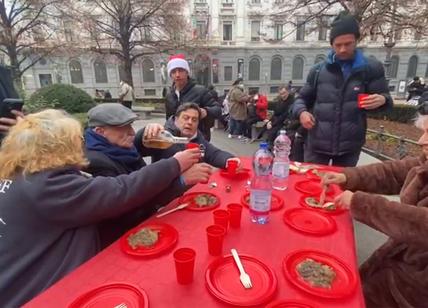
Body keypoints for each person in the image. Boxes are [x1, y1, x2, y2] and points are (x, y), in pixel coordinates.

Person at [0, 109, 200, 307]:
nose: (81, 144)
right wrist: (175, 165)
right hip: (37, 295)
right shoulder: (43, 185)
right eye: (76, 138)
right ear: (56, 147)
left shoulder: (19, 172)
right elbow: (119, 191)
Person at [321, 99, 428, 308]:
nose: (421, 141)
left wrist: (360, 203)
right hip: (403, 262)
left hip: (417, 287)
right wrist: (347, 177)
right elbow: (393, 172)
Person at [84, 103, 211, 247]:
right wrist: (181, 180)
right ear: (100, 131)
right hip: (127, 240)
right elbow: (132, 206)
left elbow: (140, 142)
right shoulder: (95, 163)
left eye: (131, 126)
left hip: (148, 223)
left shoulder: (121, 147)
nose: (131, 132)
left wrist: (149, 129)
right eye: (123, 128)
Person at [293, 11, 392, 167]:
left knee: (342, 189)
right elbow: (301, 99)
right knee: (313, 186)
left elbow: (387, 101)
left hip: (350, 147)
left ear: (356, 41)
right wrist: (302, 113)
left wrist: (382, 100)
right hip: (317, 145)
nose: (343, 49)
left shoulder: (371, 68)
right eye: (338, 45)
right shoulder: (318, 70)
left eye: (348, 44)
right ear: (331, 44)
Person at [135, 102, 238, 169]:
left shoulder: (199, 139)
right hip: (166, 194)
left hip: (193, 191)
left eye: (194, 120)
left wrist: (229, 160)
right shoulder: (163, 136)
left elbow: (214, 154)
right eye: (186, 118)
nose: (190, 122)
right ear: (176, 119)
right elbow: (138, 148)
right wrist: (145, 132)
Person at [165, 54, 221, 141]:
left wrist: (206, 111)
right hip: (177, 140)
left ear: (187, 72)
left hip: (198, 140)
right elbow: (169, 119)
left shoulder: (200, 91)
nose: (177, 75)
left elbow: (218, 109)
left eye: (180, 70)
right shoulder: (169, 95)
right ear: (170, 75)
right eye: (173, 72)